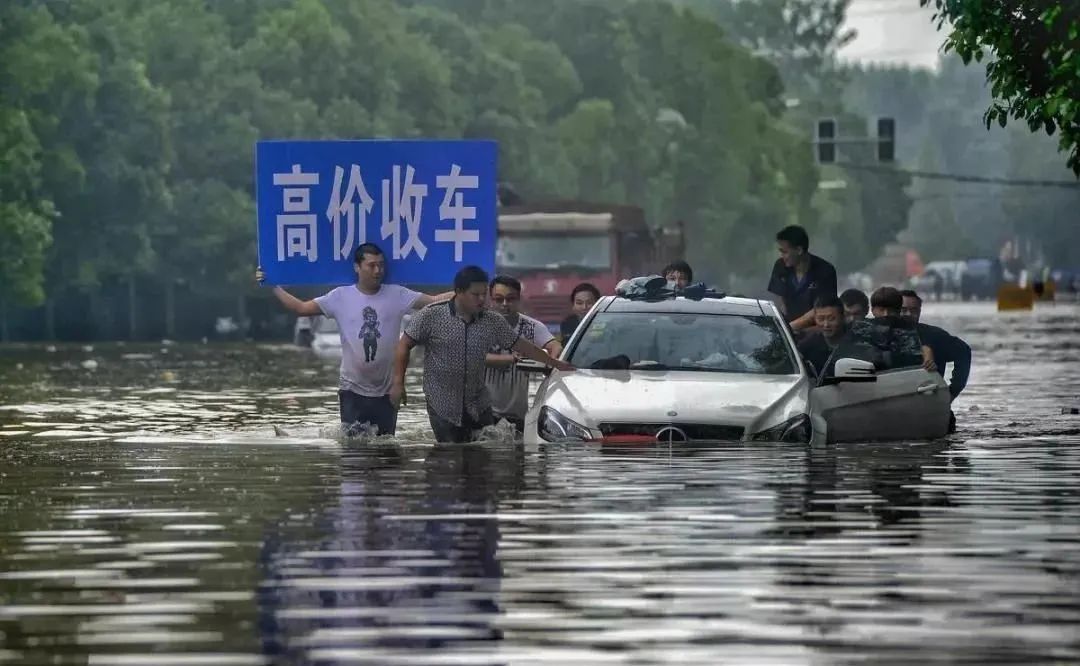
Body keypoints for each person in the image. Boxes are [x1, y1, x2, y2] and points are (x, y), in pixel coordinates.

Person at [256, 243, 452, 437]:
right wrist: (273, 286)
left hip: (387, 389)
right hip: (352, 389)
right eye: (372, 265)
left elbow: (433, 301)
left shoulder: (397, 294)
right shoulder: (340, 296)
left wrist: (467, 291)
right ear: (357, 267)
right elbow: (301, 308)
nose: (378, 270)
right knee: (354, 451)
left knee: (386, 450)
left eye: (381, 265)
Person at [393, 266, 576, 443]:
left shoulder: (492, 320)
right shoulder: (431, 315)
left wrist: (553, 362)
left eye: (484, 294)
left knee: (484, 453)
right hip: (442, 402)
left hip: (478, 403)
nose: (481, 299)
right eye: (475, 295)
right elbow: (404, 345)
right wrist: (398, 382)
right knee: (449, 456)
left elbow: (522, 345)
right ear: (459, 292)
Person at [485, 275, 563, 432]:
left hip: (518, 414)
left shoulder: (531, 327)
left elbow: (555, 346)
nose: (505, 304)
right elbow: (473, 357)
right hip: (484, 411)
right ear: (491, 300)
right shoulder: (479, 326)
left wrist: (550, 363)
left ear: (519, 299)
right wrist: (510, 359)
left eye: (510, 299)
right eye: (499, 299)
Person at [901, 289, 971, 433]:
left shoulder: (933, 335)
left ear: (920, 311)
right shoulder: (881, 335)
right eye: (903, 310)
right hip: (893, 406)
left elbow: (964, 352)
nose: (908, 314)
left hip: (932, 409)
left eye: (913, 310)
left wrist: (951, 393)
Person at [767, 225, 838, 332]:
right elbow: (779, 302)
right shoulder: (780, 266)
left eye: (785, 252)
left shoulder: (825, 270)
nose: (782, 256)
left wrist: (790, 328)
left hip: (815, 331)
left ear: (799, 250)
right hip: (787, 329)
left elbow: (822, 309)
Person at [848, 286, 935, 371]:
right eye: (881, 310)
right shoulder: (860, 328)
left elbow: (917, 359)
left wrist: (927, 359)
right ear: (873, 310)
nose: (886, 314)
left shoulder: (911, 330)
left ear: (898, 311)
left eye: (891, 310)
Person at [797, 295, 848, 377]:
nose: (826, 324)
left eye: (831, 319)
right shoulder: (808, 345)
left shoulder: (856, 340)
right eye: (820, 319)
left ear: (843, 317)